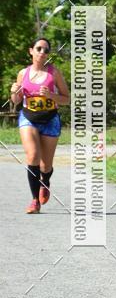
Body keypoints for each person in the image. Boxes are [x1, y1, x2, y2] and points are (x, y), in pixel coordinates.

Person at [10, 38, 70, 213]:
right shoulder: (23, 73)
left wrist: (51, 95)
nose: (42, 52)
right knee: (33, 156)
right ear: (31, 51)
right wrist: (14, 91)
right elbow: (16, 101)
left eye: (46, 50)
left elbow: (67, 99)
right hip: (28, 118)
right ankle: (35, 200)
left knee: (46, 166)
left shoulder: (54, 73)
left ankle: (45, 181)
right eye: (39, 48)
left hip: (50, 120)